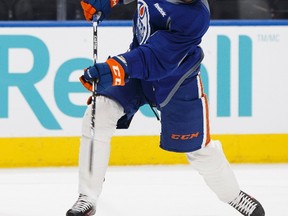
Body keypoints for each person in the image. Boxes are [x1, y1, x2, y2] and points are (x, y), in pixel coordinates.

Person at [66, 0, 265, 215]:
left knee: (199, 151)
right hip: (137, 69)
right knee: (99, 112)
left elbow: (155, 57)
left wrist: (115, 68)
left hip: (177, 81)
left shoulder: (195, 17)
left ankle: (233, 195)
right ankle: (87, 195)